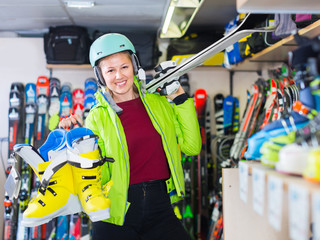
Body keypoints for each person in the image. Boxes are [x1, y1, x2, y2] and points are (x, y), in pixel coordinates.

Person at [59, 33, 201, 240]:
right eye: (110, 70)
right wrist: (76, 139)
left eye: (124, 67)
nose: (119, 76)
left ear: (134, 65)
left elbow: (192, 147)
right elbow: (98, 173)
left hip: (160, 206)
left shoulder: (159, 104)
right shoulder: (97, 116)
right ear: (100, 75)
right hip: (116, 214)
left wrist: (179, 98)